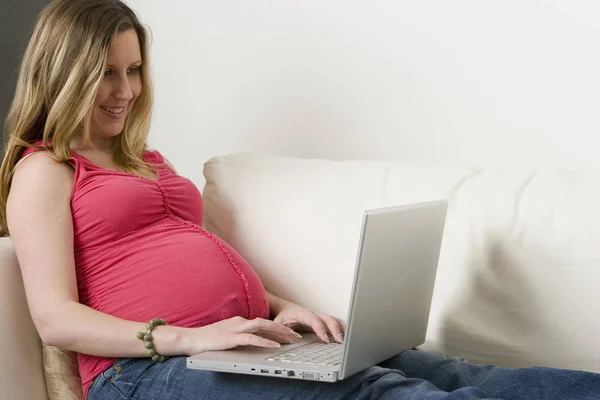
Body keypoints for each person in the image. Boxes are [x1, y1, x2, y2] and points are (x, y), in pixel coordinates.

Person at [1, 1, 599, 399]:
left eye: (135, 71)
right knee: (380, 394)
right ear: (64, 73)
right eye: (108, 73)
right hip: (144, 373)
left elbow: (201, 253)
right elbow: (56, 319)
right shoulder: (45, 169)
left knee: (458, 373)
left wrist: (281, 307)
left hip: (244, 342)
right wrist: (190, 338)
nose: (127, 91)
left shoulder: (148, 161)